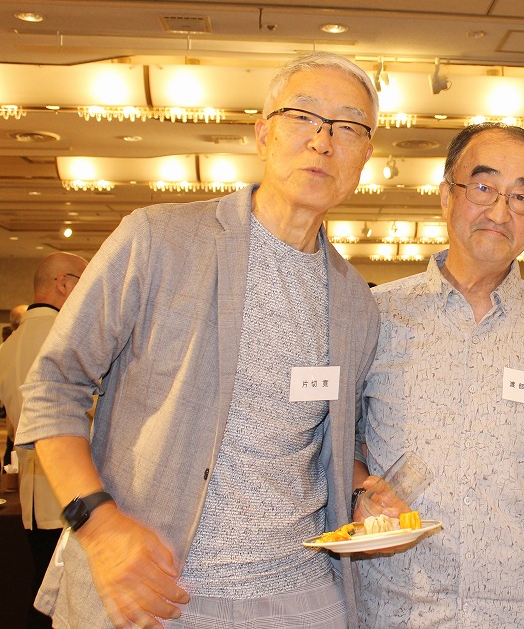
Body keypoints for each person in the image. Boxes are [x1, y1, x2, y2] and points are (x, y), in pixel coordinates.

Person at [16, 51, 381, 628]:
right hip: (155, 589)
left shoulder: (356, 300)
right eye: (303, 116)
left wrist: (364, 490)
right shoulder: (159, 240)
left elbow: (340, 438)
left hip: (301, 596)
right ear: (263, 133)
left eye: (348, 127)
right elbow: (53, 386)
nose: (322, 140)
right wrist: (99, 524)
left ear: (366, 155)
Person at [357, 122, 524, 628]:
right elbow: (340, 444)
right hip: (398, 605)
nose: (500, 212)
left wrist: (504, 483)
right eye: (484, 187)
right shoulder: (376, 316)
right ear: (447, 195)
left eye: (521, 197)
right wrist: (365, 490)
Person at [0, 252, 88, 629]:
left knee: (40, 589)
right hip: (75, 491)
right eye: (84, 282)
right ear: (63, 283)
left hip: (32, 499)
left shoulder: (8, 346)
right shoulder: (69, 337)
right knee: (73, 600)